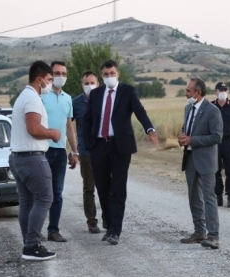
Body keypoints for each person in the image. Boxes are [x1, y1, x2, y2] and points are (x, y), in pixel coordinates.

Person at [83, 59, 160, 245]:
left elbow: (139, 111)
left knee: (118, 189)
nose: (109, 77)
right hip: (99, 146)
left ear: (118, 74)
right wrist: (89, 142)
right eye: (106, 74)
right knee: (102, 188)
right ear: (102, 76)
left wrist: (150, 129)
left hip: (120, 146)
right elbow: (86, 120)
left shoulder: (128, 91)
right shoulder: (96, 94)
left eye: (112, 73)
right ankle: (109, 225)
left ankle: (115, 230)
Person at [9, 61, 61, 261]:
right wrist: (53, 133)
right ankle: (32, 246)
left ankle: (29, 243)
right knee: (45, 198)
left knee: (27, 201)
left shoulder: (23, 96)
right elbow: (34, 129)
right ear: (40, 80)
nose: (51, 83)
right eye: (49, 79)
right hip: (32, 158)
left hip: (19, 157)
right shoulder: (32, 99)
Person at [178, 77, 223, 249]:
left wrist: (193, 140)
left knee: (209, 197)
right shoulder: (188, 108)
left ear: (198, 92)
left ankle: (213, 236)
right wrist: (183, 138)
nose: (186, 93)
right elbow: (187, 129)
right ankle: (199, 232)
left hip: (206, 160)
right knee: (193, 196)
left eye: (188, 91)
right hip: (190, 158)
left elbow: (217, 137)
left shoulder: (212, 111)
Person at [41, 61, 78, 243]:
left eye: (63, 73)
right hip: (42, 151)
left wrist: (75, 151)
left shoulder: (67, 98)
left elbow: (69, 127)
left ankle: (53, 230)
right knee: (41, 193)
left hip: (60, 152)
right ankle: (34, 231)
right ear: (50, 74)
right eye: (56, 73)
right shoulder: (41, 95)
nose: (60, 77)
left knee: (57, 193)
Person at [72, 71, 103, 234]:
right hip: (85, 151)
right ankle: (91, 221)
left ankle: (108, 219)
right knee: (89, 188)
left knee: (106, 187)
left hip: (104, 150)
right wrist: (73, 150)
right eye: (86, 83)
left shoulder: (105, 100)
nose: (89, 86)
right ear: (81, 85)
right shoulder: (76, 103)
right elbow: (67, 124)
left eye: (92, 83)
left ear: (98, 84)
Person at [212, 82, 230, 208]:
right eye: (220, 90)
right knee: (215, 169)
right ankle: (218, 196)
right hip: (215, 142)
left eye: (225, 90)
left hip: (228, 141)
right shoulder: (211, 106)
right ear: (216, 92)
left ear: (228, 91)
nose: (223, 92)